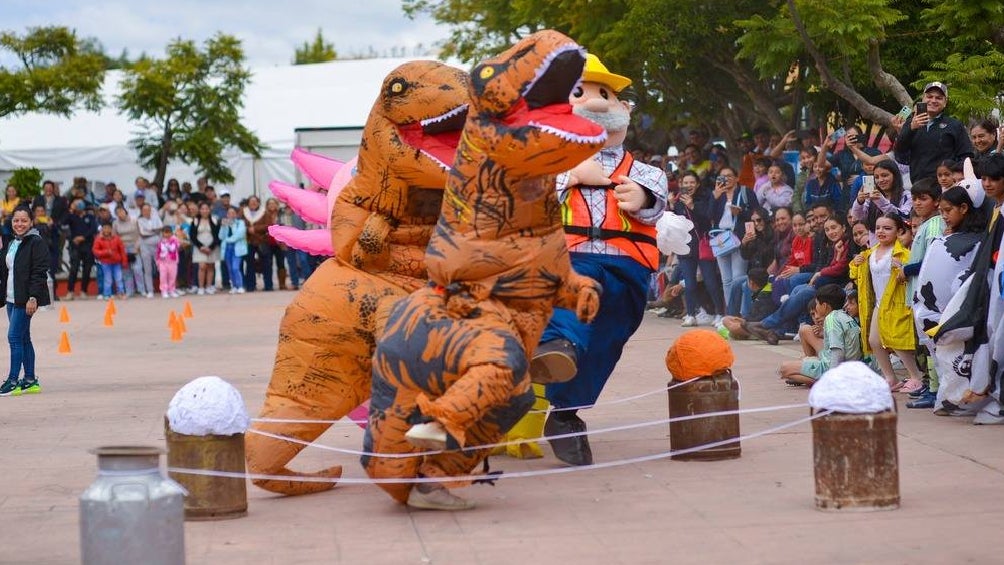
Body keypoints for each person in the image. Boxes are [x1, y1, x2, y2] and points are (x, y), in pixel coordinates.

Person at [532, 53, 668, 466]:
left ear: (624, 108)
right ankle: (556, 349)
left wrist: (642, 197)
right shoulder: (547, 164)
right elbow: (529, 198)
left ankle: (566, 410)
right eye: (580, 93)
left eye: (604, 94)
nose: (594, 102)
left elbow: (657, 206)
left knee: (611, 334)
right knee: (576, 297)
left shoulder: (645, 170)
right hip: (570, 256)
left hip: (627, 265)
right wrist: (572, 174)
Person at [912, 184, 986, 410]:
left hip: (959, 311)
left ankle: (965, 401)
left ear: (964, 208)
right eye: (941, 211)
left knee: (962, 358)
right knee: (941, 359)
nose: (943, 216)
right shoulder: (941, 240)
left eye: (948, 210)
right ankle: (947, 397)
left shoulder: (979, 241)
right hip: (931, 310)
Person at [850, 213, 924, 391]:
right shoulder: (869, 253)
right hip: (878, 304)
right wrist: (855, 263)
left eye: (887, 228)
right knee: (874, 341)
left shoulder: (904, 254)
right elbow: (855, 276)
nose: (881, 231)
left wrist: (902, 269)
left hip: (896, 303)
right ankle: (891, 378)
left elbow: (913, 279)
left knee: (896, 341)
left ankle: (917, 377)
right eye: (878, 228)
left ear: (899, 231)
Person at [0, 206, 51, 396]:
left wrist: (33, 297)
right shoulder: (12, 242)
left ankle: (13, 381)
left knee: (14, 337)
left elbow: (39, 272)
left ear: (31, 222)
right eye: (16, 220)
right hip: (11, 298)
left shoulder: (36, 242)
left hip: (25, 299)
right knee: (23, 338)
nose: (19, 224)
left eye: (23, 220)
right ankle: (29, 380)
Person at [778, 284, 862, 386]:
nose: (816, 307)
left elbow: (838, 351)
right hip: (849, 366)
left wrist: (832, 377)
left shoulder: (831, 319)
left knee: (784, 369)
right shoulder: (845, 316)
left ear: (824, 306)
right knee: (805, 358)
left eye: (817, 303)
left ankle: (824, 382)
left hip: (836, 368)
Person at [893, 81, 974, 183]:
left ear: (945, 103)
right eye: (929, 97)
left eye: (939, 98)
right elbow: (900, 155)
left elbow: (966, 156)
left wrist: (955, 177)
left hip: (945, 185)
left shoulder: (954, 125)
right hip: (919, 185)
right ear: (923, 99)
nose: (933, 100)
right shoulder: (910, 123)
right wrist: (911, 129)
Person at [672, 171, 724, 327]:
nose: (689, 186)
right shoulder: (678, 201)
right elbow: (675, 223)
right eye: (686, 183)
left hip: (703, 245)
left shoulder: (705, 198)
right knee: (689, 283)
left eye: (692, 182)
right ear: (681, 184)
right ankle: (690, 314)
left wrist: (692, 206)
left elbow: (708, 220)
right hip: (685, 247)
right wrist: (671, 206)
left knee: (710, 281)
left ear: (698, 184)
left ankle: (720, 313)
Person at [62, 198, 97, 300]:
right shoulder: (71, 216)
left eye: (79, 204)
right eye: (75, 204)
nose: (78, 205)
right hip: (75, 246)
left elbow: (93, 229)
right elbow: (63, 223)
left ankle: (83, 291)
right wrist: (70, 210)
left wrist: (83, 237)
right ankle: (70, 291)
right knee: (74, 269)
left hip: (88, 245)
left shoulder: (90, 217)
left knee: (87, 269)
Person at [188, 202, 220, 295]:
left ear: (209, 210)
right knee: (202, 266)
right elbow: (192, 236)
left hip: (212, 246)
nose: (205, 211)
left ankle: (209, 286)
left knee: (210, 266)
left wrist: (211, 247)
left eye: (206, 209)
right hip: (199, 247)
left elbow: (218, 235)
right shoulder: (195, 221)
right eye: (202, 209)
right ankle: (201, 287)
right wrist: (201, 246)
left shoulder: (214, 220)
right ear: (199, 210)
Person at [91, 221, 128, 300]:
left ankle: (121, 293)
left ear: (111, 229)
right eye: (105, 228)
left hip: (116, 262)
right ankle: (107, 294)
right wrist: (106, 252)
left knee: (119, 278)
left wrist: (124, 261)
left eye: (108, 228)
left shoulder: (116, 238)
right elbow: (95, 251)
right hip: (105, 263)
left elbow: (122, 250)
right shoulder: (98, 239)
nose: (107, 230)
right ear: (102, 229)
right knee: (108, 279)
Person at [219, 206, 247, 294]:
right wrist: (223, 227)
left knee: (235, 268)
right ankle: (234, 286)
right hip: (227, 248)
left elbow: (239, 235)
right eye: (229, 213)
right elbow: (221, 236)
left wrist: (228, 239)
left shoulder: (240, 223)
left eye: (233, 213)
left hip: (237, 248)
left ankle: (240, 285)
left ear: (236, 214)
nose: (231, 215)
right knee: (230, 268)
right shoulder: (225, 223)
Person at [155, 225, 181, 298]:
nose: (167, 234)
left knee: (172, 277)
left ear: (171, 233)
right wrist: (158, 262)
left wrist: (174, 238)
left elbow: (178, 246)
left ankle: (171, 290)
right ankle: (164, 291)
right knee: (163, 277)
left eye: (169, 232)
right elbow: (158, 253)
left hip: (172, 262)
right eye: (165, 232)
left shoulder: (174, 241)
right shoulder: (160, 242)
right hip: (163, 263)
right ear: (162, 233)